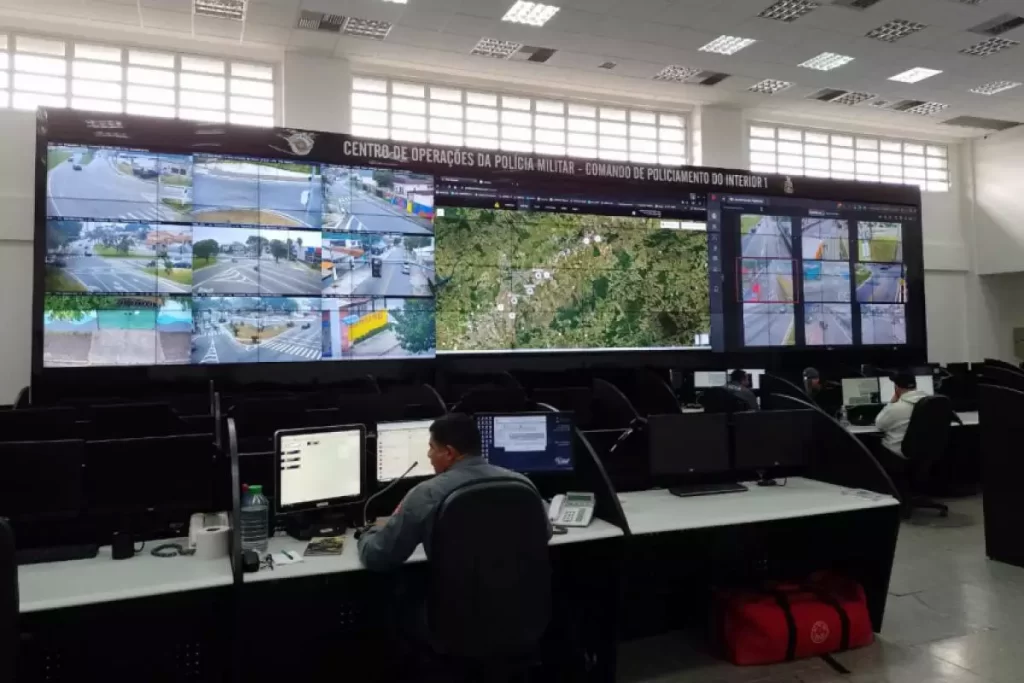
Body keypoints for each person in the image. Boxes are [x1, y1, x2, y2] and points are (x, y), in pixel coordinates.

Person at [358, 412, 550, 571]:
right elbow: (545, 533)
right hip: (522, 601)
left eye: (432, 447)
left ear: (449, 453)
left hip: (456, 603)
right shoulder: (523, 484)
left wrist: (368, 533)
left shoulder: (427, 494)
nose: (429, 454)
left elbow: (378, 557)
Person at [874, 372, 929, 455]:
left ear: (896, 388)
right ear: (915, 386)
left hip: (898, 454)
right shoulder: (933, 404)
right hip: (928, 452)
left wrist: (891, 403)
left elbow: (879, 425)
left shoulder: (895, 408)